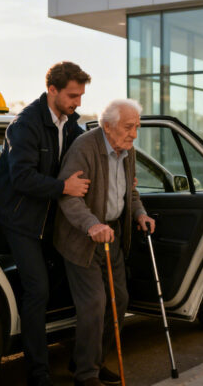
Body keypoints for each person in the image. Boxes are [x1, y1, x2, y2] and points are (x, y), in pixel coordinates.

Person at [0, 61, 92, 386]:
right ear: (53, 90)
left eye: (80, 95)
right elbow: (21, 178)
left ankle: (81, 362)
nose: (78, 102)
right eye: (73, 95)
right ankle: (38, 373)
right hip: (20, 219)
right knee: (38, 290)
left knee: (68, 278)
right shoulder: (26, 125)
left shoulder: (71, 124)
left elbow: (87, 159)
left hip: (51, 218)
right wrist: (63, 188)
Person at [55, 99, 156, 386]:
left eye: (137, 126)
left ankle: (90, 362)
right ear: (107, 126)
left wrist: (140, 213)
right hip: (82, 238)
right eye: (128, 127)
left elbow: (129, 192)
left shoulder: (127, 150)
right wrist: (92, 225)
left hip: (112, 236)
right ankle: (86, 375)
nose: (134, 134)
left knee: (119, 300)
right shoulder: (84, 148)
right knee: (95, 304)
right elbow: (68, 197)